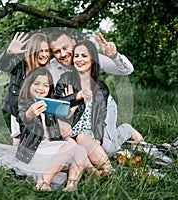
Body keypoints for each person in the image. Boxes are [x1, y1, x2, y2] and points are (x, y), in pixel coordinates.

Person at [48, 29, 144, 153]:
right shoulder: (52, 69)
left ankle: (126, 130)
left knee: (107, 148)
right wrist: (72, 98)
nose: (62, 54)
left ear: (73, 43)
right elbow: (51, 101)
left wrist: (114, 56)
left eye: (65, 48)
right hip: (77, 111)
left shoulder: (93, 57)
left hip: (101, 104)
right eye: (57, 51)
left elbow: (126, 70)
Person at [16, 67, 88, 191]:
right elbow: (23, 117)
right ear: (28, 85)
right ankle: (43, 183)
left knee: (80, 150)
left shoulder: (49, 104)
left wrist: (77, 96)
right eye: (36, 84)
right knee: (68, 147)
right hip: (34, 150)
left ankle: (71, 185)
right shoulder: (25, 103)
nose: (41, 88)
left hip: (50, 149)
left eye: (45, 85)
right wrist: (30, 113)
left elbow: (64, 102)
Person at [55, 40, 114, 176]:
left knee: (82, 137)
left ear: (92, 59)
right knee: (74, 140)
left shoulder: (102, 88)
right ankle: (94, 173)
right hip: (68, 130)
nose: (79, 60)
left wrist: (98, 139)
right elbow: (57, 108)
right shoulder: (65, 80)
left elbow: (100, 118)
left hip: (87, 133)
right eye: (76, 56)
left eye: (84, 56)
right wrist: (75, 97)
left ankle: (109, 171)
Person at [0, 32, 50, 146]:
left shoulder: (45, 72)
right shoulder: (19, 65)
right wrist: (8, 53)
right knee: (18, 141)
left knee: (36, 143)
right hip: (18, 110)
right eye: (41, 50)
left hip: (36, 112)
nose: (44, 54)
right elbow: (3, 65)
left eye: (47, 51)